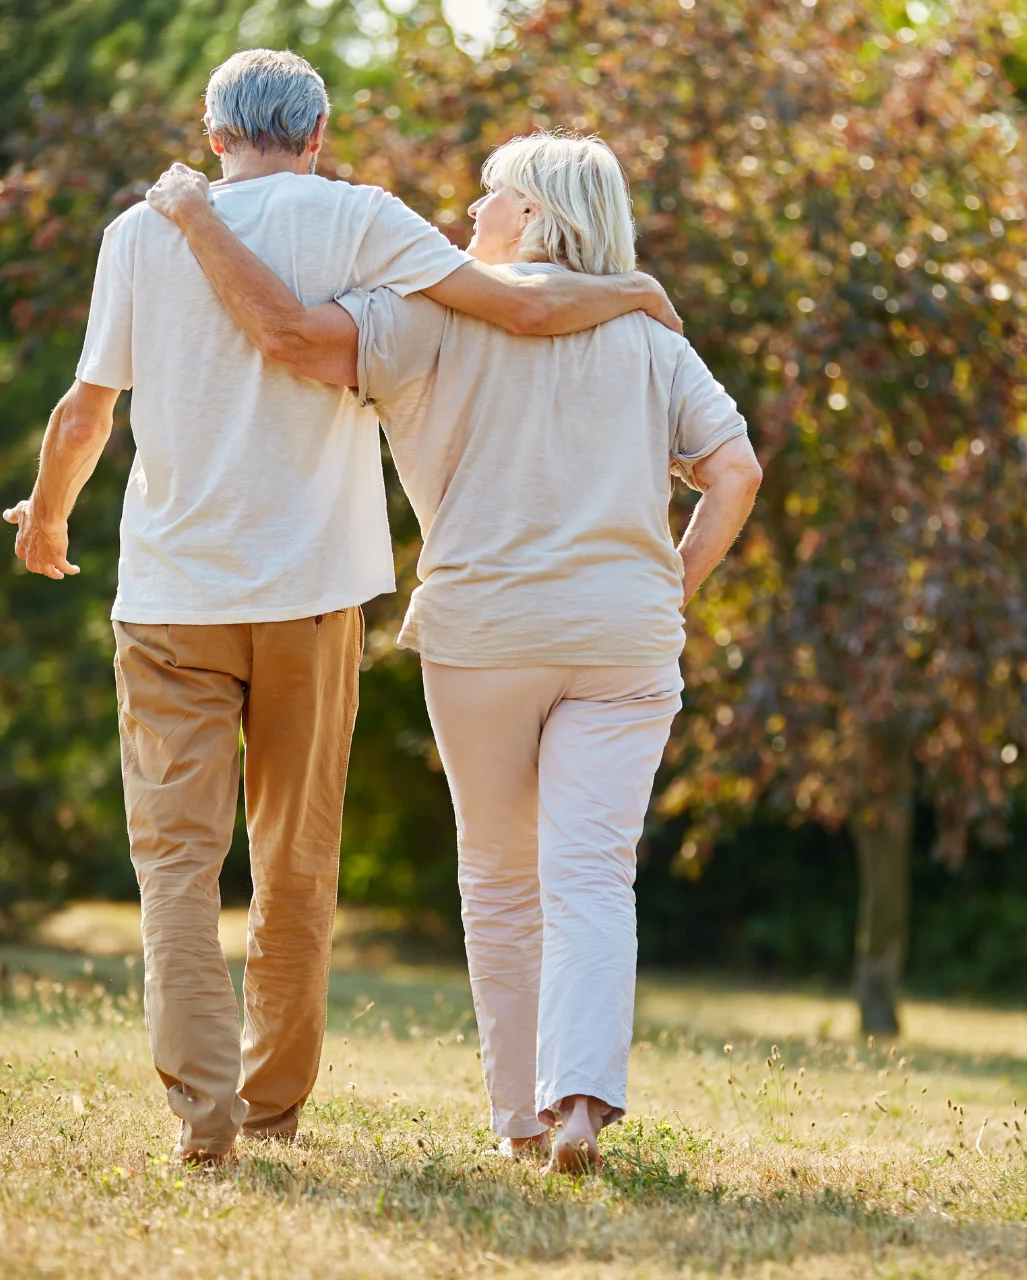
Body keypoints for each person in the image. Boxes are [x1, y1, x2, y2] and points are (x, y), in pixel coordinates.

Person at [2, 51, 681, 1168]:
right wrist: (635, 294)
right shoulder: (364, 219)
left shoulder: (139, 233)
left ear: (214, 134)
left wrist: (47, 519)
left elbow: (87, 409)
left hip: (172, 598)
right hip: (313, 596)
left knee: (175, 865)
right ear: (318, 132)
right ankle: (271, 1106)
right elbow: (513, 299)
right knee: (296, 862)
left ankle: (201, 1112)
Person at [142, 132, 762, 1172]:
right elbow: (734, 470)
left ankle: (518, 1119)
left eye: (488, 196)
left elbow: (295, 342)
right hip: (624, 633)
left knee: (501, 875)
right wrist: (675, 581)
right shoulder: (650, 330)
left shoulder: (424, 315)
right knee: (595, 874)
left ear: (530, 215)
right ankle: (579, 1104)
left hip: (485, 631)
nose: (468, 212)